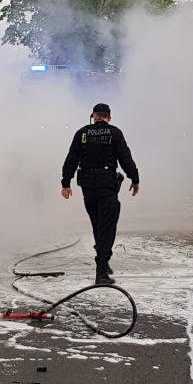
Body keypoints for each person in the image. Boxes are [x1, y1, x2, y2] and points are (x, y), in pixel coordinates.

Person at [61, 103, 140, 285]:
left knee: (97, 224)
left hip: (88, 186)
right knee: (107, 226)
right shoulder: (115, 133)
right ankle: (102, 272)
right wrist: (135, 179)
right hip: (106, 185)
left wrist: (66, 183)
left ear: (94, 116)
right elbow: (125, 158)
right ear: (108, 117)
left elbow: (71, 159)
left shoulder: (82, 133)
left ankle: (103, 262)